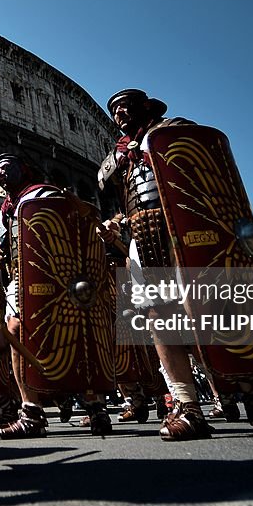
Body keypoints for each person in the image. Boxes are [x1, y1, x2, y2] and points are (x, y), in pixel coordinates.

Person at [97, 89, 214, 440]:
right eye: (114, 109)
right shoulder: (119, 154)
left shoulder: (172, 131)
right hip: (142, 234)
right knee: (158, 316)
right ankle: (186, 404)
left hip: (182, 228)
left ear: (145, 107)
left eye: (125, 106)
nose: (119, 113)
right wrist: (118, 222)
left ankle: (226, 382)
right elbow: (115, 190)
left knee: (196, 310)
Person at [0, 153, 115, 438]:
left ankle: (96, 408)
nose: (1, 173)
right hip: (21, 280)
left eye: (7, 167)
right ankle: (31, 411)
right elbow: (5, 249)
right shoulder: (0, 216)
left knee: (78, 336)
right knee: (18, 333)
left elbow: (78, 225)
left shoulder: (45, 195)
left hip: (60, 279)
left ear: (24, 169)